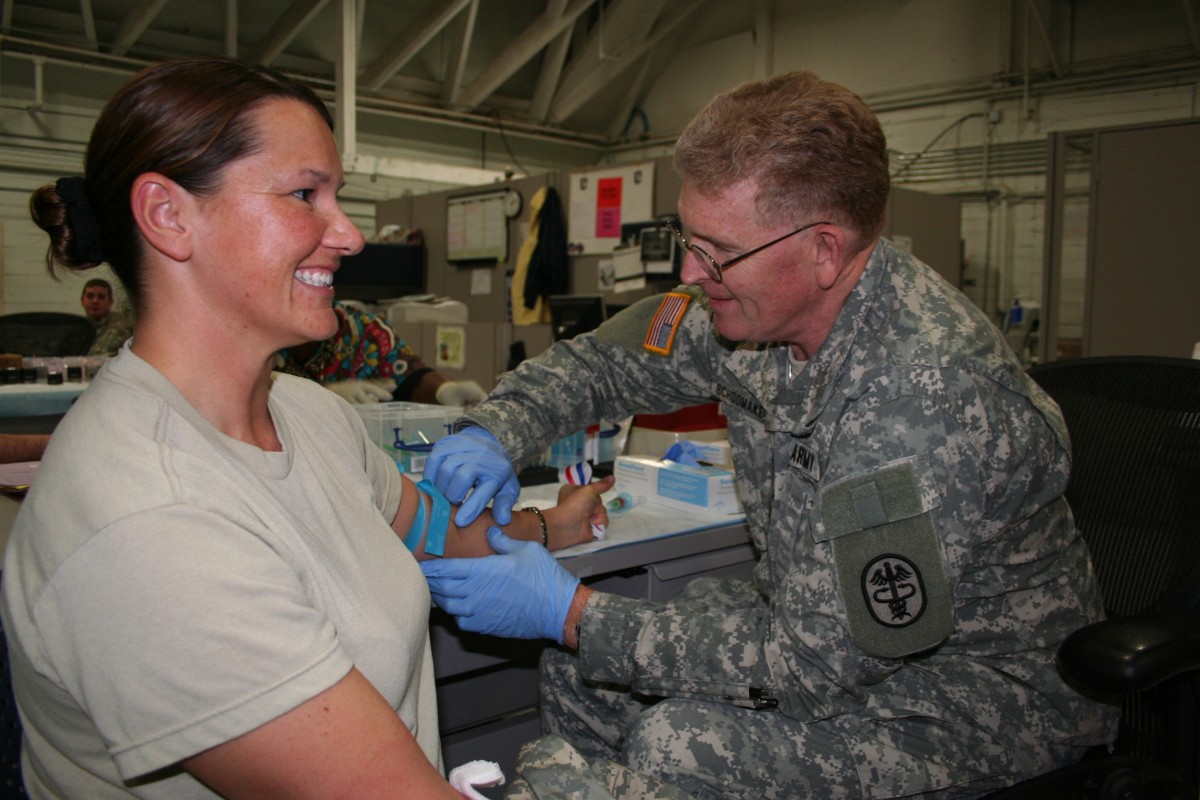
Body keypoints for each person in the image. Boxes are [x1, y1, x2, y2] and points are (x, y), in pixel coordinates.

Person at [420, 71, 1119, 799]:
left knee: (673, 738)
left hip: (977, 700)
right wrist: (494, 430)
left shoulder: (919, 397)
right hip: (819, 628)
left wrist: (570, 612)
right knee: (581, 665)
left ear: (824, 249)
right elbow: (604, 363)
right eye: (691, 242)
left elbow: (814, 669)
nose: (693, 273)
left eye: (716, 251)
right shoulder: (754, 312)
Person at [2, 56, 610, 799]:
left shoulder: (306, 410)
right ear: (168, 215)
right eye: (303, 194)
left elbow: (429, 530)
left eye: (337, 196)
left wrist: (553, 529)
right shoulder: (147, 519)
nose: (349, 235)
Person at [274, 300, 487, 406]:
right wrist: (324, 398)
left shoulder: (361, 329)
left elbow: (407, 375)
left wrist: (443, 389)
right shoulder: (256, 335)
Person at [79, 277, 135, 356]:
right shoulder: (76, 328)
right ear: (82, 300)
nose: (95, 301)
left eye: (101, 297)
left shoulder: (125, 324)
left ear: (111, 302)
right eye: (90, 296)